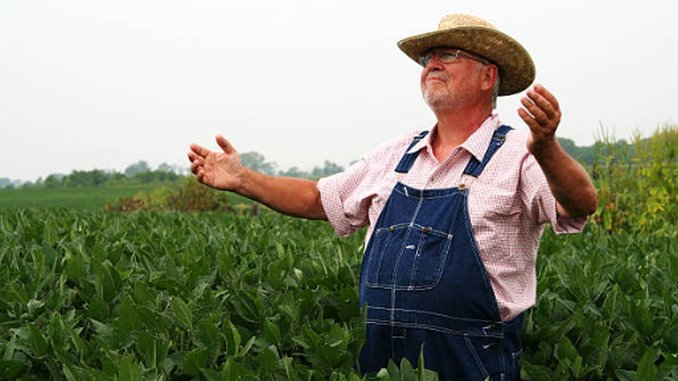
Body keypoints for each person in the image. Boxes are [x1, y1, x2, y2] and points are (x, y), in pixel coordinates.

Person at [187, 13, 597, 381]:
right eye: (427, 58)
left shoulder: (518, 157)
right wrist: (243, 181)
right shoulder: (397, 154)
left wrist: (546, 149)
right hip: (379, 362)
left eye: (448, 54)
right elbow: (318, 198)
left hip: (470, 363)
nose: (432, 63)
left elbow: (579, 204)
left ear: (488, 76)